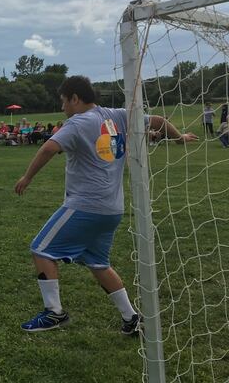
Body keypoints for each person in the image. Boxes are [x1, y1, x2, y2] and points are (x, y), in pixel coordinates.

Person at [14, 75, 197, 334]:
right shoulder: (118, 115)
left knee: (41, 250)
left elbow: (48, 148)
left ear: (75, 98)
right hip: (113, 209)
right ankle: (131, 319)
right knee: (98, 263)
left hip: (86, 205)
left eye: (64, 101)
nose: (63, 107)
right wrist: (179, 138)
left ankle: (54, 312)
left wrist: (27, 177)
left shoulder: (78, 122)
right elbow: (157, 120)